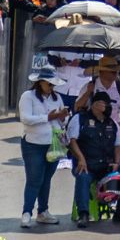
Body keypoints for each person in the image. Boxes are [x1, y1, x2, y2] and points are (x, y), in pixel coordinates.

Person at [67, 90, 120, 227]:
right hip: (87, 164)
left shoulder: (112, 124)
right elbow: (72, 141)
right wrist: (80, 159)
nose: (108, 108)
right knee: (83, 177)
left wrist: (117, 163)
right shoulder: (80, 119)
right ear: (96, 105)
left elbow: (118, 146)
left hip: (107, 166)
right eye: (106, 105)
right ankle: (83, 214)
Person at [17, 67, 69, 228]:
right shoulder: (28, 96)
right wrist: (49, 116)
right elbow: (26, 119)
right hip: (33, 143)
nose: (51, 87)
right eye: (49, 84)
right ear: (40, 82)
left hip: (52, 143)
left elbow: (62, 122)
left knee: (46, 179)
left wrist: (62, 117)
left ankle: (43, 211)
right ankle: (27, 212)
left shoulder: (57, 98)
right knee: (34, 179)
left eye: (53, 85)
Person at [76, 55, 120, 134]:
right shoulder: (89, 87)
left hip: (112, 133)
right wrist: (88, 92)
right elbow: (77, 107)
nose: (116, 72)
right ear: (101, 72)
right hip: (91, 131)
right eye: (112, 70)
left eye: (116, 70)